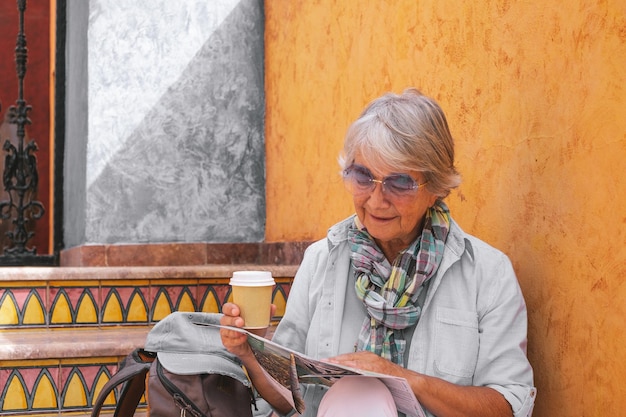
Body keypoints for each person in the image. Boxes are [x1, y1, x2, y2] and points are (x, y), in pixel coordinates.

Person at [220, 88, 536, 417]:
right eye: (363, 177)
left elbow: (508, 407)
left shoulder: (487, 274)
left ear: (436, 188)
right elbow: (289, 401)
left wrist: (400, 378)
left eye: (398, 182)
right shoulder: (322, 260)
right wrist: (248, 350)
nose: (376, 200)